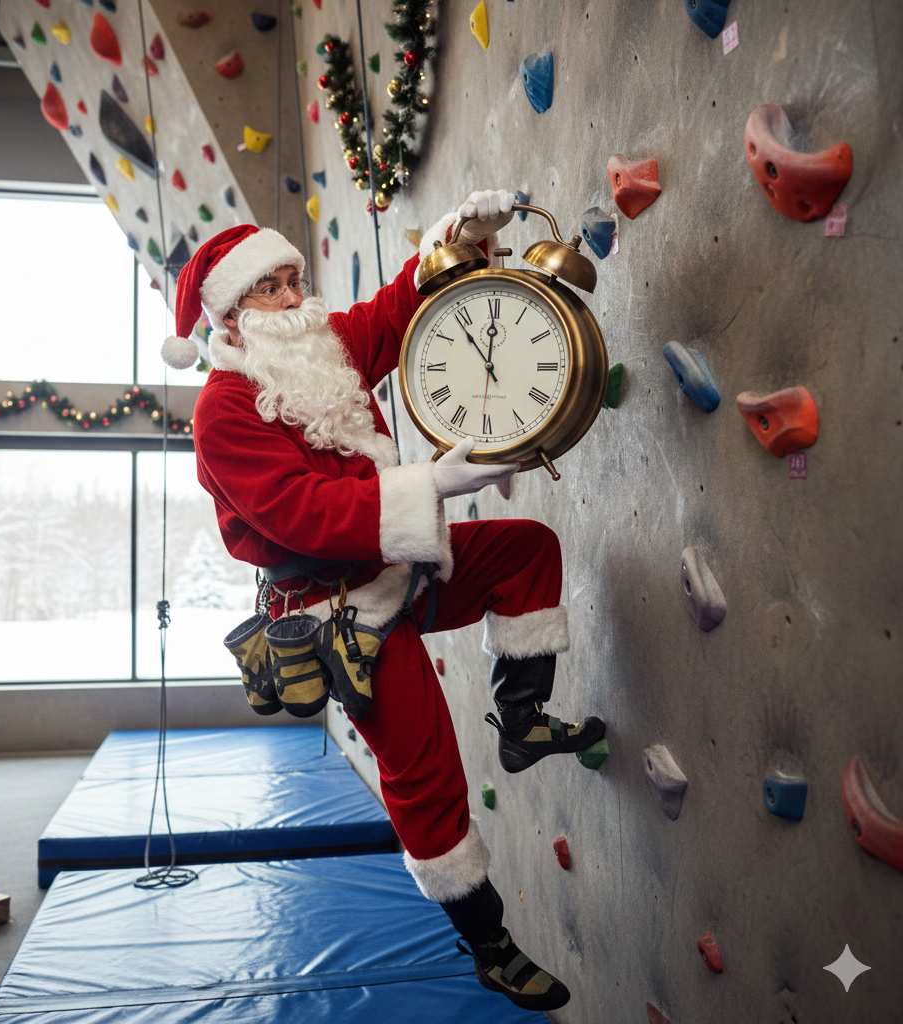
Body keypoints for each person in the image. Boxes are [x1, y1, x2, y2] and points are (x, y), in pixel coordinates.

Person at [163, 189, 606, 1013]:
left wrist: (459, 239)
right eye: (273, 288)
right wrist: (430, 484)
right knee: (423, 772)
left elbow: (395, 313)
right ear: (230, 316)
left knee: (525, 552)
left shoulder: (319, 350)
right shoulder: (223, 412)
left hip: (406, 568)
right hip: (339, 614)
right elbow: (302, 515)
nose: (296, 297)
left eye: (295, 277)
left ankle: (521, 719)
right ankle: (492, 946)